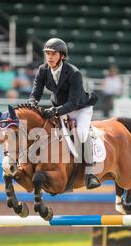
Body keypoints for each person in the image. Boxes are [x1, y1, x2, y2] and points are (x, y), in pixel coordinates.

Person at [28, 38, 100, 189]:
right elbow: (36, 91)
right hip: (59, 107)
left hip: (80, 108)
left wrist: (55, 111)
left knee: (80, 133)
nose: (50, 57)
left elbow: (73, 102)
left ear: (62, 56)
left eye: (53, 53)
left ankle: (90, 173)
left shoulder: (74, 73)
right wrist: (32, 103)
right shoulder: (43, 70)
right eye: (47, 53)